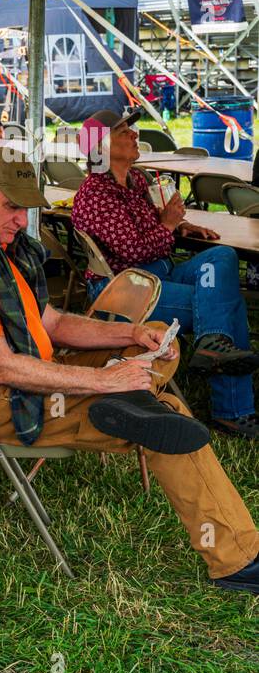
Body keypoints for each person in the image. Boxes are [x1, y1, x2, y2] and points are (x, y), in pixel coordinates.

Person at [0, 148, 259, 596]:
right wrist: (101, 380)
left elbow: (52, 323)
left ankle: (128, 399)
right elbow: (0, 366)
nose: (21, 221)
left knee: (157, 340)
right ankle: (236, 558)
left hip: (35, 374)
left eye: (26, 209)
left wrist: (130, 335)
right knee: (171, 414)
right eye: (12, 207)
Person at [71, 109, 259, 438]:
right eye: (124, 131)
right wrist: (170, 225)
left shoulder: (136, 180)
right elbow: (134, 251)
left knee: (219, 257)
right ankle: (233, 410)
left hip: (159, 275)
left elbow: (152, 225)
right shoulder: (96, 195)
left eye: (132, 128)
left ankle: (212, 343)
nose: (134, 134)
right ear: (100, 148)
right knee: (226, 303)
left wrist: (181, 224)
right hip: (125, 291)